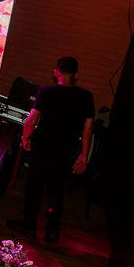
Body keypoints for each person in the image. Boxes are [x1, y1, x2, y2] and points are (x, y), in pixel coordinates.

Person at [8, 56, 95, 243]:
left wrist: (25, 138)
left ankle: (29, 226)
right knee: (56, 190)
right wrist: (83, 156)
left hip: (42, 149)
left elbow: (31, 121)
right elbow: (88, 131)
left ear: (56, 73)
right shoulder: (87, 97)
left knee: (34, 188)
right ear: (76, 75)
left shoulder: (46, 91)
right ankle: (53, 229)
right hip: (65, 152)